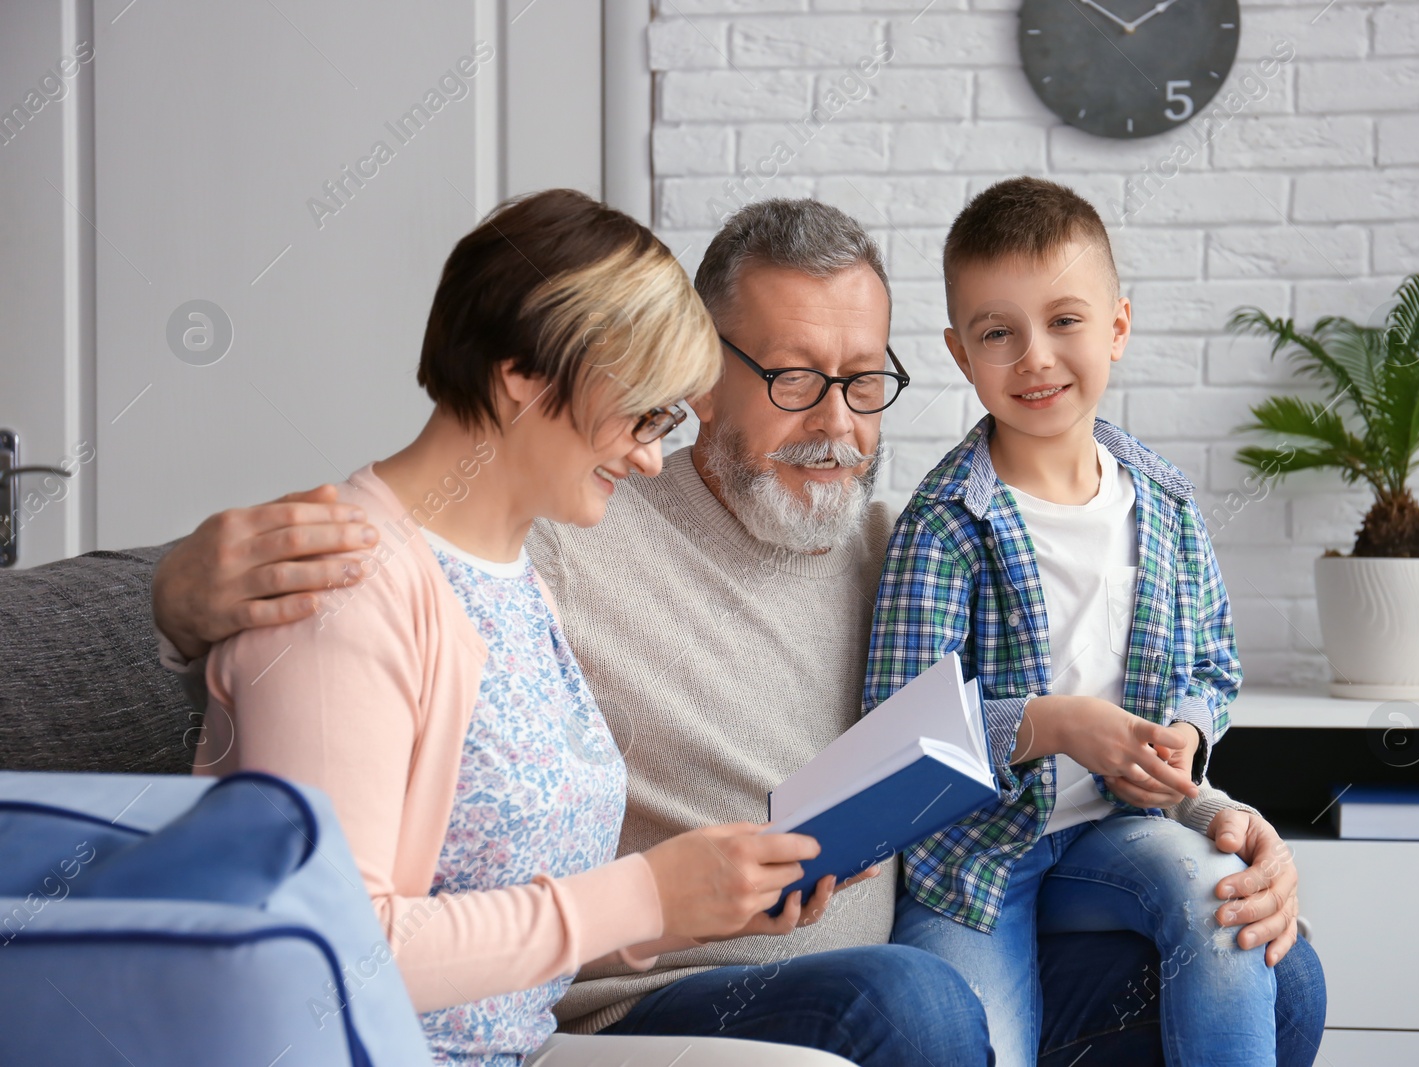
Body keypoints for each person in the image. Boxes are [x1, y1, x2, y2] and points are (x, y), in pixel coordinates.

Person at [150, 198, 1325, 1065]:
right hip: (661, 989)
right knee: (916, 1003)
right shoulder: (557, 526)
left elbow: (1079, 716)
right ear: (704, 370)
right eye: (795, 380)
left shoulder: (896, 542)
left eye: (866, 381)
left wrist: (1216, 818)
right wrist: (180, 597)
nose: (838, 423)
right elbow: (389, 546)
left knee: (1271, 969)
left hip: (874, 948)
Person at [188, 188, 988, 1067]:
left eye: (663, 420)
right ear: (522, 378)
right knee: (908, 1007)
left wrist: (698, 901)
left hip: (518, 1043)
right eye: (643, 414)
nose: (652, 456)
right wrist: (647, 896)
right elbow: (332, 958)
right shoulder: (347, 584)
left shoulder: (512, 569)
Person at [864, 176, 1276, 1067]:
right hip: (976, 861)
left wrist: (1187, 728)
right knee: (975, 1043)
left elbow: (1213, 662)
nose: (1036, 357)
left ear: (1117, 327)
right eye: (998, 333)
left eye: (1065, 321)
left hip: (1120, 831)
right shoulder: (945, 524)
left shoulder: (1163, 500)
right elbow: (899, 737)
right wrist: (1052, 724)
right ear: (960, 353)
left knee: (1224, 902)